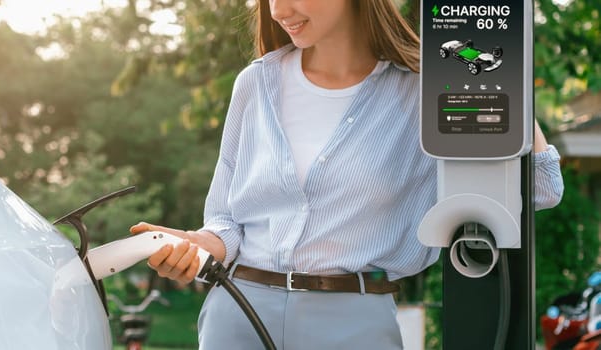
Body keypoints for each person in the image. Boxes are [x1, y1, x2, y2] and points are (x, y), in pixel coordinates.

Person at [130, 0, 564, 348]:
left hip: (354, 322)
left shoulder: (426, 90)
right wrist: (196, 245)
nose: (278, 10)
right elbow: (226, 220)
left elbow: (541, 189)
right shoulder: (255, 82)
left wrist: (499, 84)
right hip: (238, 312)